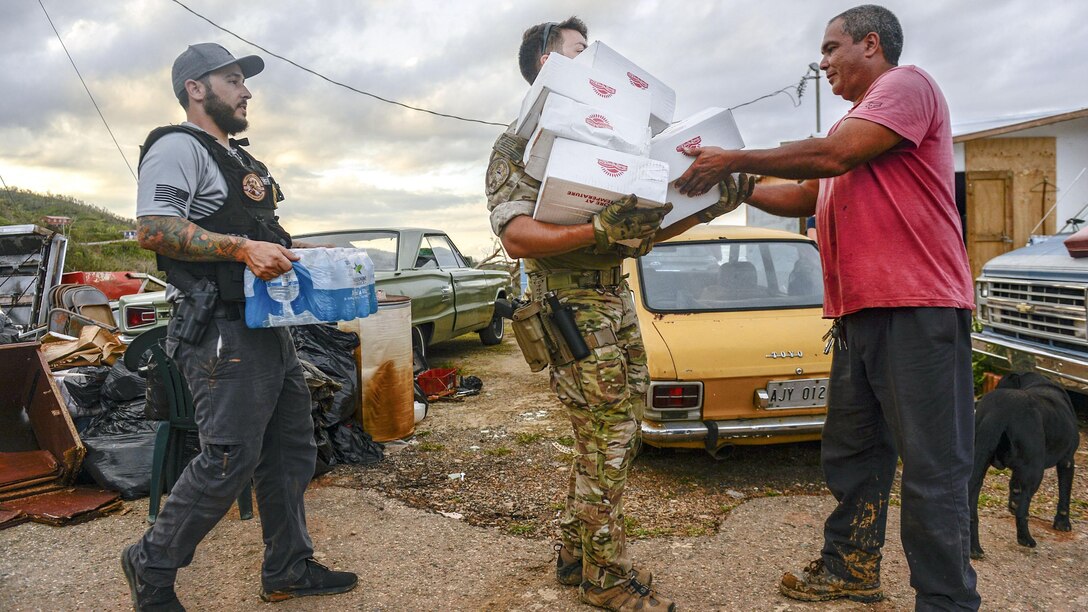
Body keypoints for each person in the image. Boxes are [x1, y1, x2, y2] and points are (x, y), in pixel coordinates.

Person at [675, 5, 979, 610]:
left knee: (932, 466)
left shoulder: (905, 87)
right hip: (860, 312)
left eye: (831, 48)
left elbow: (829, 158)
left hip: (917, 308)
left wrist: (733, 159)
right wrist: (719, 185)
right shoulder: (856, 125)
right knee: (855, 454)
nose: (822, 62)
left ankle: (946, 601)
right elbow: (801, 194)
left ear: (871, 45)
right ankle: (851, 567)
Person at [488, 17, 752, 612]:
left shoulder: (620, 144)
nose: (601, 66)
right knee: (608, 436)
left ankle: (575, 554)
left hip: (613, 300)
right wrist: (596, 227)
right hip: (570, 310)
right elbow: (517, 236)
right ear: (546, 66)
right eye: (582, 54)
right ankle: (604, 578)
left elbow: (641, 236)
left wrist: (706, 208)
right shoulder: (520, 146)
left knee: (612, 436)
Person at [122, 43, 357, 610]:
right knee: (228, 458)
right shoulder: (177, 147)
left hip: (265, 328)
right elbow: (153, 229)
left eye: (243, 81)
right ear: (195, 89)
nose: (246, 90)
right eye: (232, 80)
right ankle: (151, 564)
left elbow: (267, 241)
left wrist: (326, 253)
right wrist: (239, 247)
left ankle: (288, 567)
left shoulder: (244, 164)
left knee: (291, 450)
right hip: (219, 331)